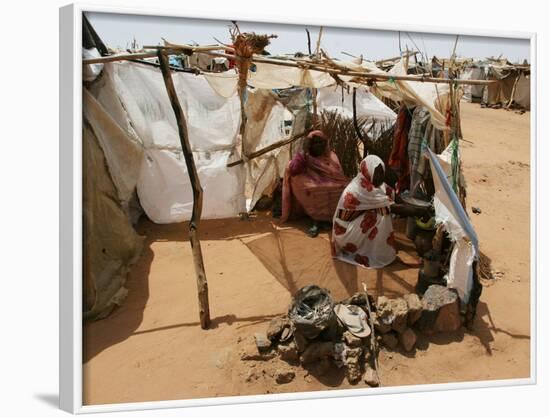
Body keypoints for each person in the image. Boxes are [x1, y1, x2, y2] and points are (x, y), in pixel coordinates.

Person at [331, 154, 429, 268]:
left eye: (381, 172)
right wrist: (421, 212)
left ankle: (376, 247)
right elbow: (395, 208)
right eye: (377, 172)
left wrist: (418, 207)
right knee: (381, 213)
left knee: (381, 209)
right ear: (368, 171)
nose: (381, 176)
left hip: (352, 226)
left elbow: (397, 198)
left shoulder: (374, 182)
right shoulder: (361, 188)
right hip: (344, 234)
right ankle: (380, 254)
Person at [281, 130, 349, 237]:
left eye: (321, 143)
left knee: (343, 189)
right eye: (315, 143)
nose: (319, 146)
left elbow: (339, 175)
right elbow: (294, 169)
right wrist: (304, 151)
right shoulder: (304, 156)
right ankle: (317, 219)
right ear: (310, 145)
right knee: (314, 189)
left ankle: (328, 219)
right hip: (312, 183)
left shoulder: (331, 156)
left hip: (330, 183)